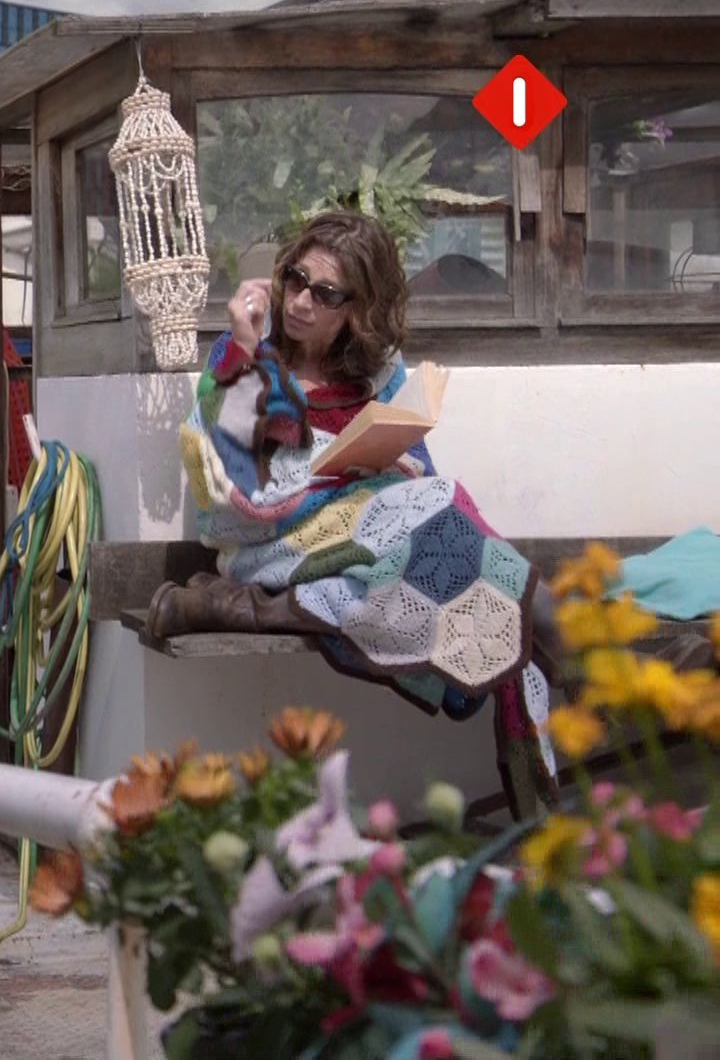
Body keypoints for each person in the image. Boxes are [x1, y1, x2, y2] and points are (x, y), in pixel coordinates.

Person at [154, 211, 562, 812]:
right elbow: (224, 477)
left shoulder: (377, 374)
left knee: (445, 511)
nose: (301, 302)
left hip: (369, 536)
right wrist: (244, 346)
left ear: (358, 309)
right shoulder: (243, 356)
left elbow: (416, 466)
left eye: (326, 294)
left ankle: (561, 649)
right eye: (296, 280)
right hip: (276, 543)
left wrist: (389, 464)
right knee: (455, 536)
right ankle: (585, 659)